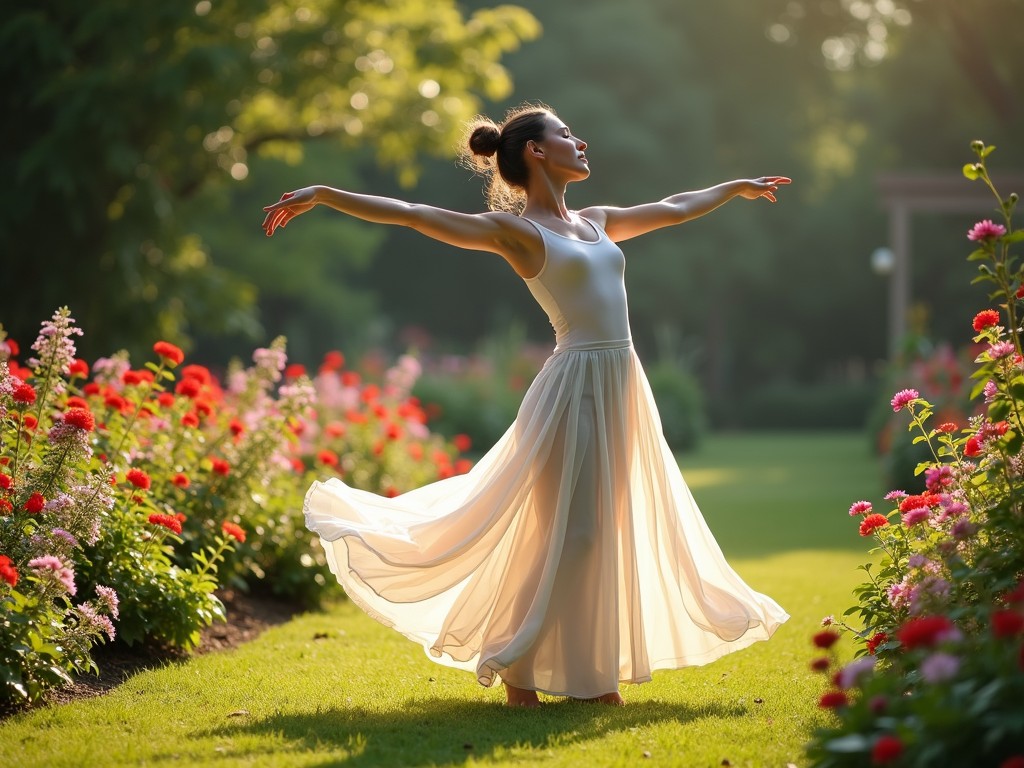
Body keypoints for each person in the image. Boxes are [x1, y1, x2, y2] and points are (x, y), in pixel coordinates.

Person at [262, 103, 791, 708]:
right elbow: (415, 215)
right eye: (566, 134)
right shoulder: (517, 232)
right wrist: (325, 193)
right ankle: (537, 674)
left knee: (596, 532)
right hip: (575, 388)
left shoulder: (596, 222)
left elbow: (672, 208)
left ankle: (571, 674)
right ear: (536, 152)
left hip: (622, 384)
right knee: (577, 533)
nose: (580, 140)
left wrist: (734, 188)